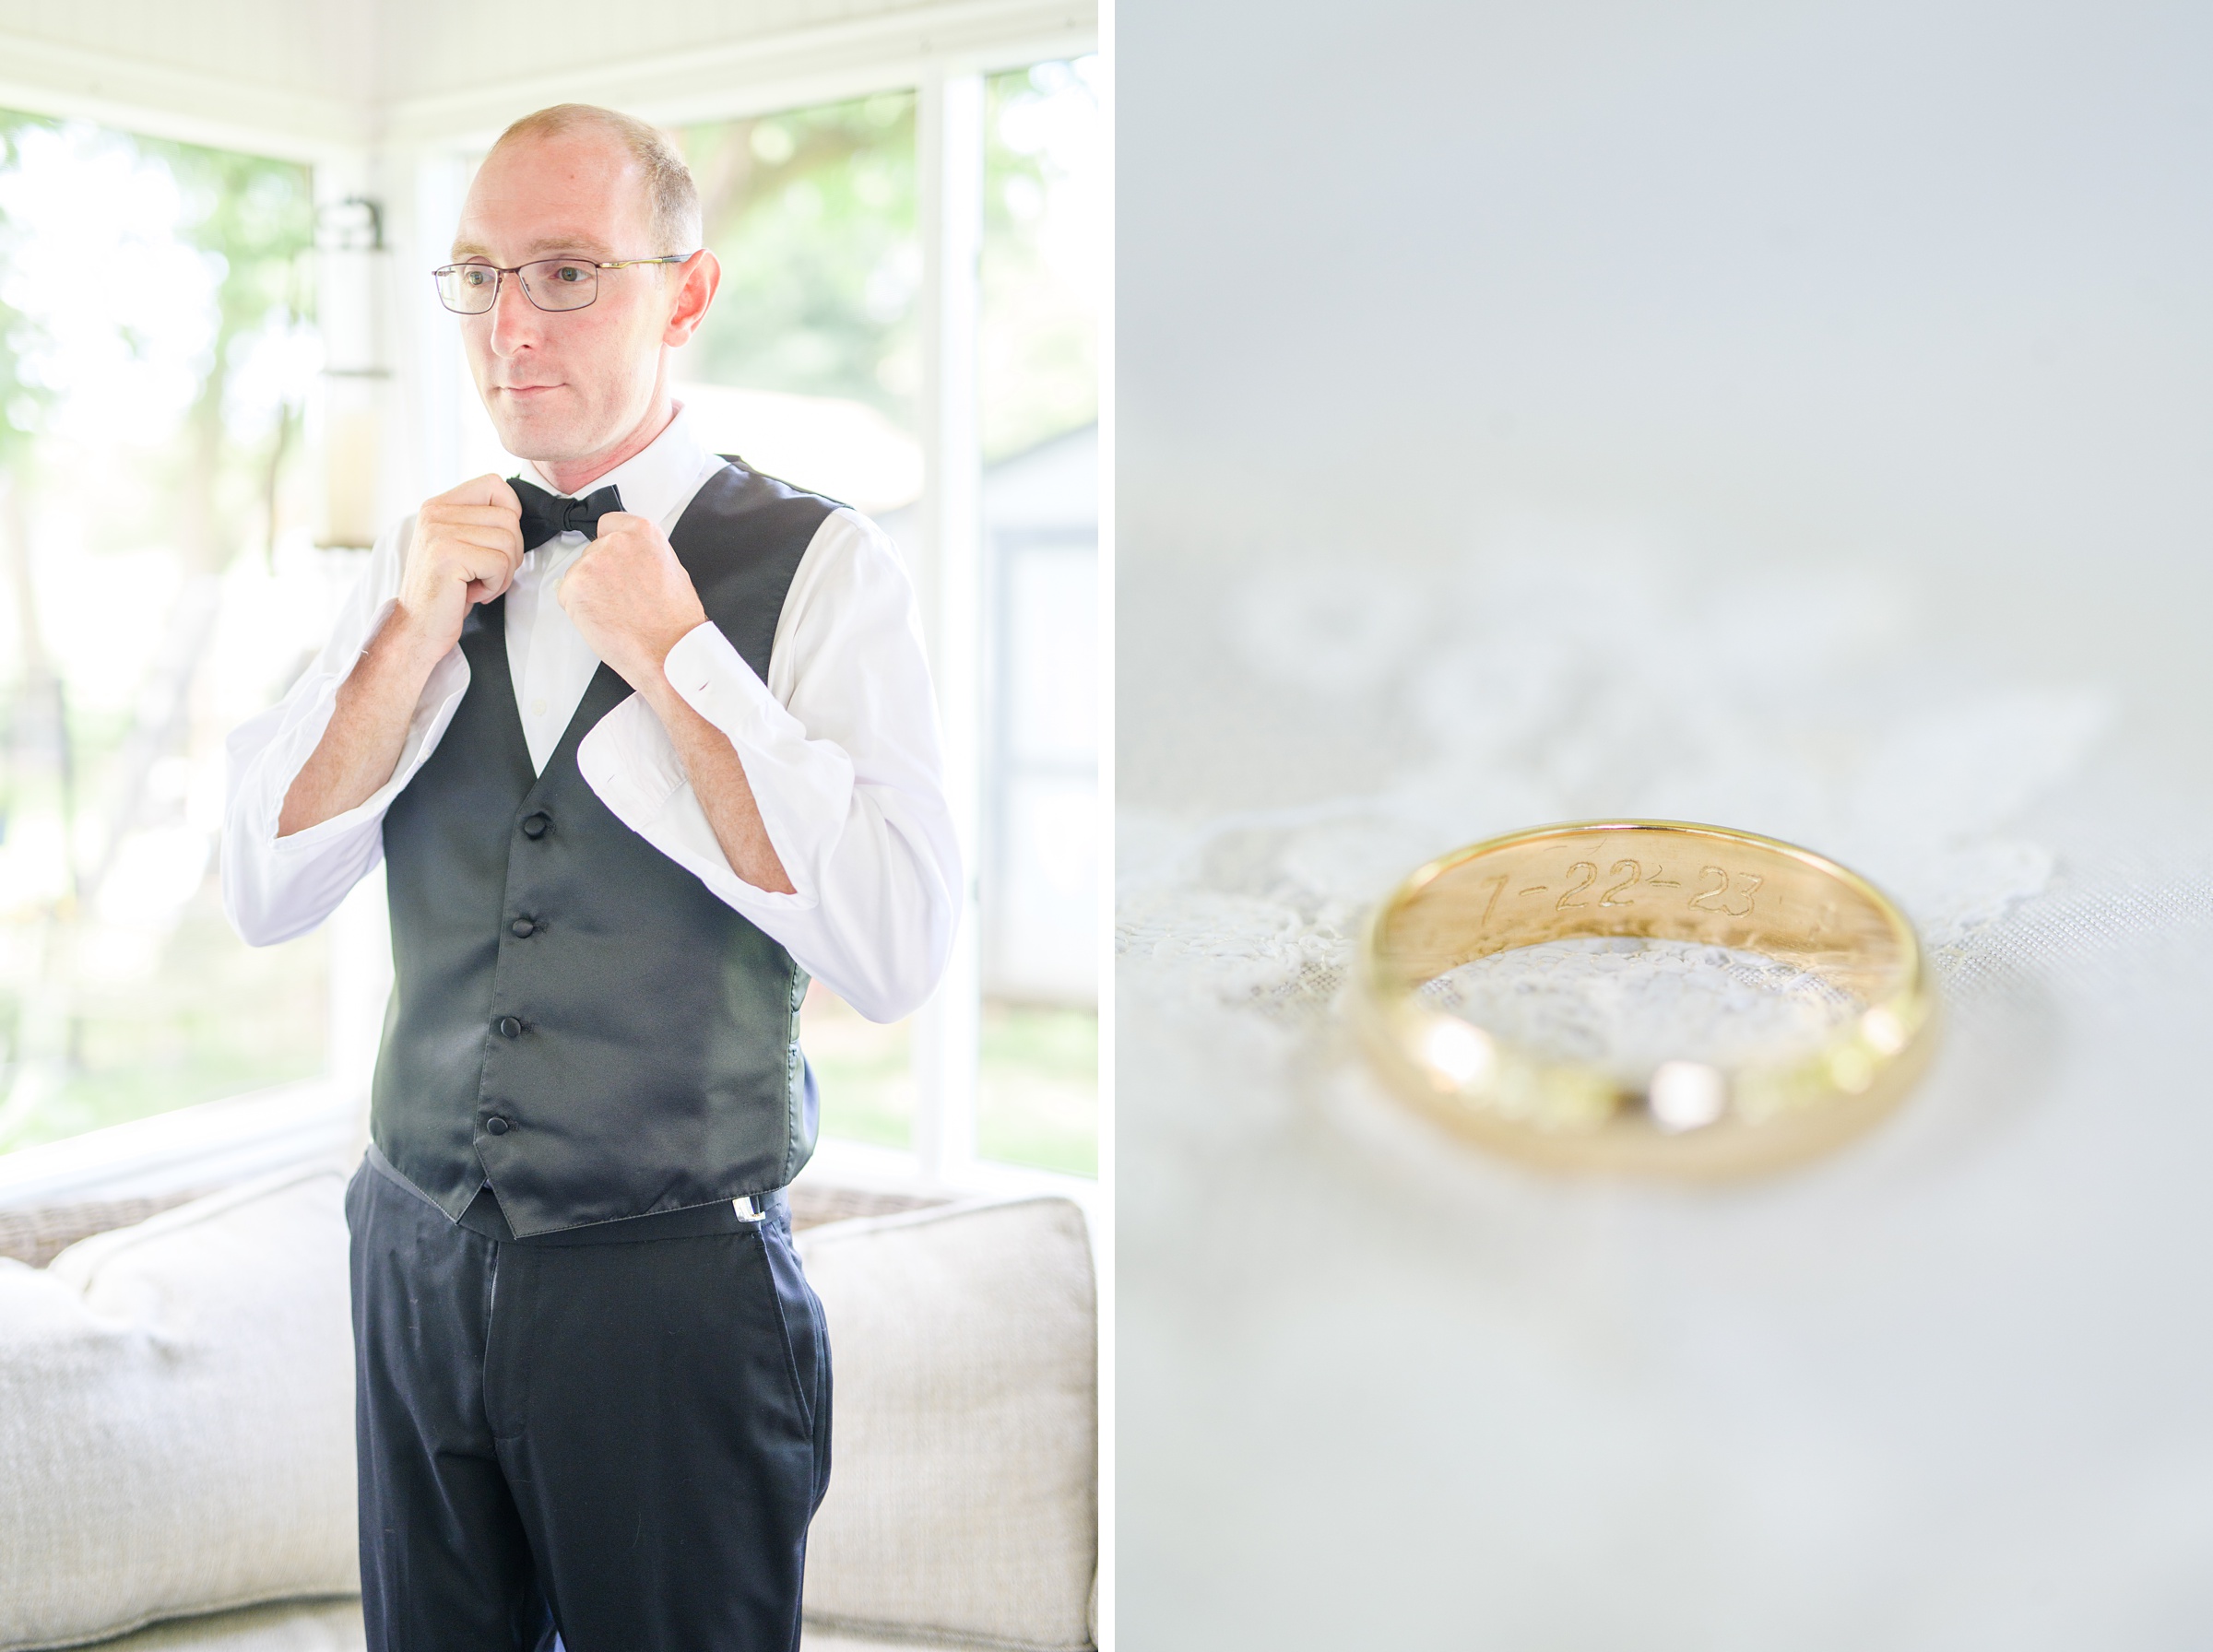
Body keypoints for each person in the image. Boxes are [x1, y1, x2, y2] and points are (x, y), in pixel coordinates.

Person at [221, 102, 959, 1652]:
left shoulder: (826, 568)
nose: (508, 326)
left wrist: (680, 657)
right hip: (410, 1251)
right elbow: (264, 886)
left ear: (686, 294)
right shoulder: (420, 560)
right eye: (480, 274)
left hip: (672, 1293)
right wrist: (409, 630)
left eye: (565, 272)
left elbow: (895, 949)